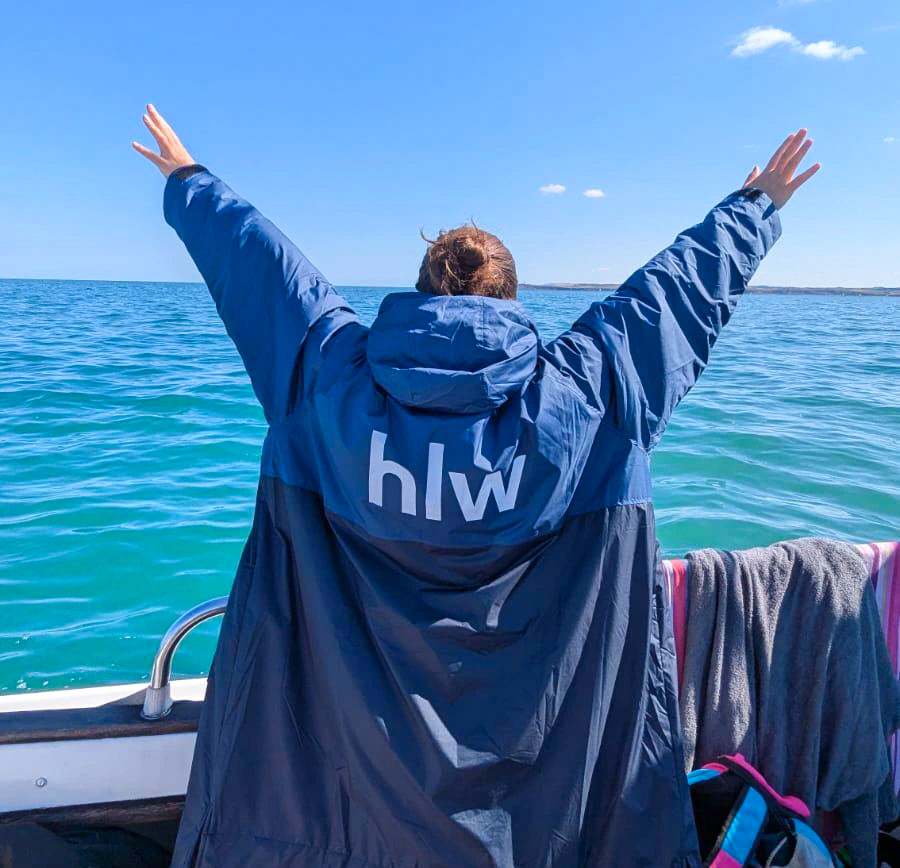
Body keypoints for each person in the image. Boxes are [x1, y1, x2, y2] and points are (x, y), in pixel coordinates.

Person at [134, 105, 819, 868]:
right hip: (549, 818)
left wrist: (190, 182)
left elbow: (263, 271)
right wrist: (754, 210)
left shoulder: (326, 379)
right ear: (515, 304)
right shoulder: (595, 392)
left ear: (421, 294)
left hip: (352, 816)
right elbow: (673, 296)